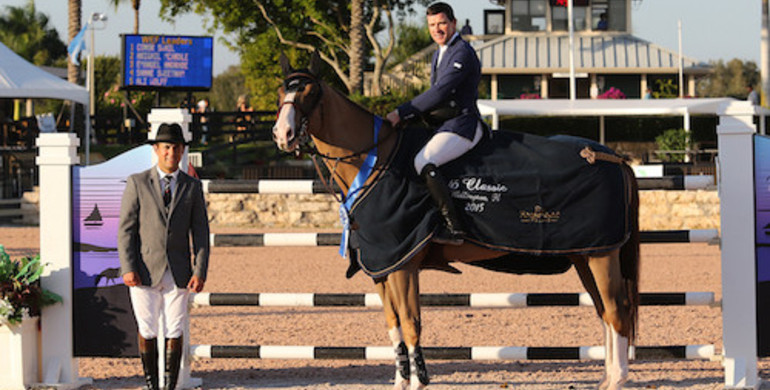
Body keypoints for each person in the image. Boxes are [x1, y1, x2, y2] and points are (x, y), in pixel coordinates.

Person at [386, 2, 489, 246]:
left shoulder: (462, 51)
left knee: (424, 161)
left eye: (442, 23)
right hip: (443, 125)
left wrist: (402, 112)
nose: (437, 29)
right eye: (432, 25)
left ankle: (454, 227)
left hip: (462, 125)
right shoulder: (438, 52)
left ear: (453, 23)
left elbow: (442, 92)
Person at [119, 123, 210, 390]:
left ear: (182, 151)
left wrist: (200, 270)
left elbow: (201, 232)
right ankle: (151, 384)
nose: (171, 152)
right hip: (144, 269)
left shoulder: (192, 186)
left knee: (175, 328)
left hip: (179, 270)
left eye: (176, 147)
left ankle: (169, 386)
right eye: (167, 147)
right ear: (157, 150)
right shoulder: (137, 182)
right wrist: (128, 266)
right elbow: (126, 229)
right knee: (147, 329)